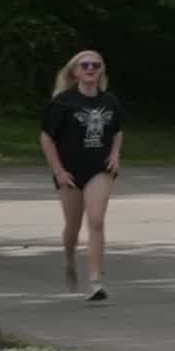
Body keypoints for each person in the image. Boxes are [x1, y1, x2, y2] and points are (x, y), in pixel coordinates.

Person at [39, 49, 124, 301]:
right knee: (73, 227)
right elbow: (47, 138)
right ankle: (69, 258)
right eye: (85, 65)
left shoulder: (110, 101)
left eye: (96, 65)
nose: (90, 69)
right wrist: (59, 171)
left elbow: (118, 130)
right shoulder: (62, 102)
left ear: (101, 71)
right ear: (75, 71)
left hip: (100, 168)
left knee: (96, 220)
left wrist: (115, 154)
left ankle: (96, 281)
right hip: (70, 172)